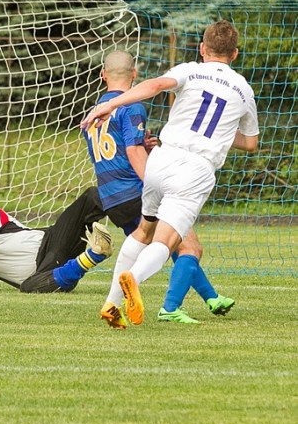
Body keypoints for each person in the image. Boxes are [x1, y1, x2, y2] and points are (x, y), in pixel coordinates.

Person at [81, 21, 258, 327]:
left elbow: (153, 86)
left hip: (161, 159)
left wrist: (109, 106)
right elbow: (251, 143)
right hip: (194, 169)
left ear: (202, 49)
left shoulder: (189, 69)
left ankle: (111, 303)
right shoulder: (243, 89)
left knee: (143, 231)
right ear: (235, 54)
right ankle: (133, 278)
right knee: (167, 242)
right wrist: (220, 133)